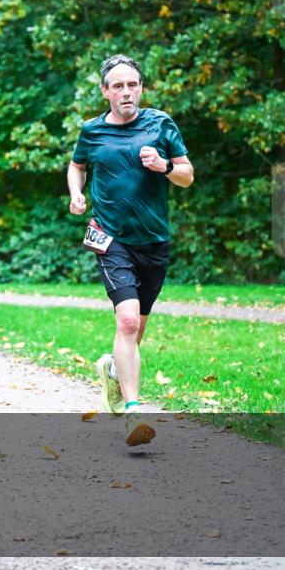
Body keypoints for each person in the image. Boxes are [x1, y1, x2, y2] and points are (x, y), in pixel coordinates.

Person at [67, 54, 194, 447]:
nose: (126, 92)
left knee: (136, 330)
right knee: (126, 322)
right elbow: (77, 166)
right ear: (105, 91)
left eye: (132, 85)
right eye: (118, 86)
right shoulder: (92, 131)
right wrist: (76, 193)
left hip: (153, 241)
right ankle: (134, 413)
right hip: (110, 238)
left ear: (141, 88)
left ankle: (112, 370)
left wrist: (164, 166)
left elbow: (187, 175)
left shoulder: (161, 124)